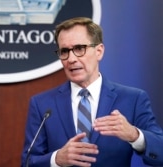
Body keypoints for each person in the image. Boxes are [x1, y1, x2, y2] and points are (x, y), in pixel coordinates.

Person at [21, 17, 163, 167]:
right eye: (64, 51)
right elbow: (28, 162)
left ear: (99, 51)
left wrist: (134, 135)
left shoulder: (132, 99)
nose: (71, 58)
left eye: (79, 49)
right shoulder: (42, 104)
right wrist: (56, 159)